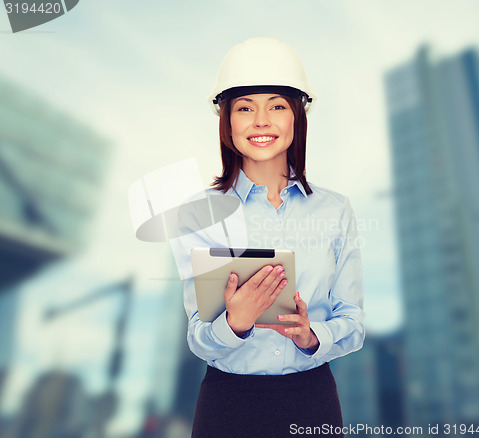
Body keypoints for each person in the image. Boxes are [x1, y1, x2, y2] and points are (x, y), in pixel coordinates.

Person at [179, 38, 365, 438]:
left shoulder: (335, 210)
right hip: (226, 406)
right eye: (245, 108)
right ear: (226, 121)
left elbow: (352, 319)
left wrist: (312, 335)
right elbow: (198, 337)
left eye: (277, 105)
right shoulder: (198, 213)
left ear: (297, 117)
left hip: (311, 400)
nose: (261, 121)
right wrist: (235, 323)